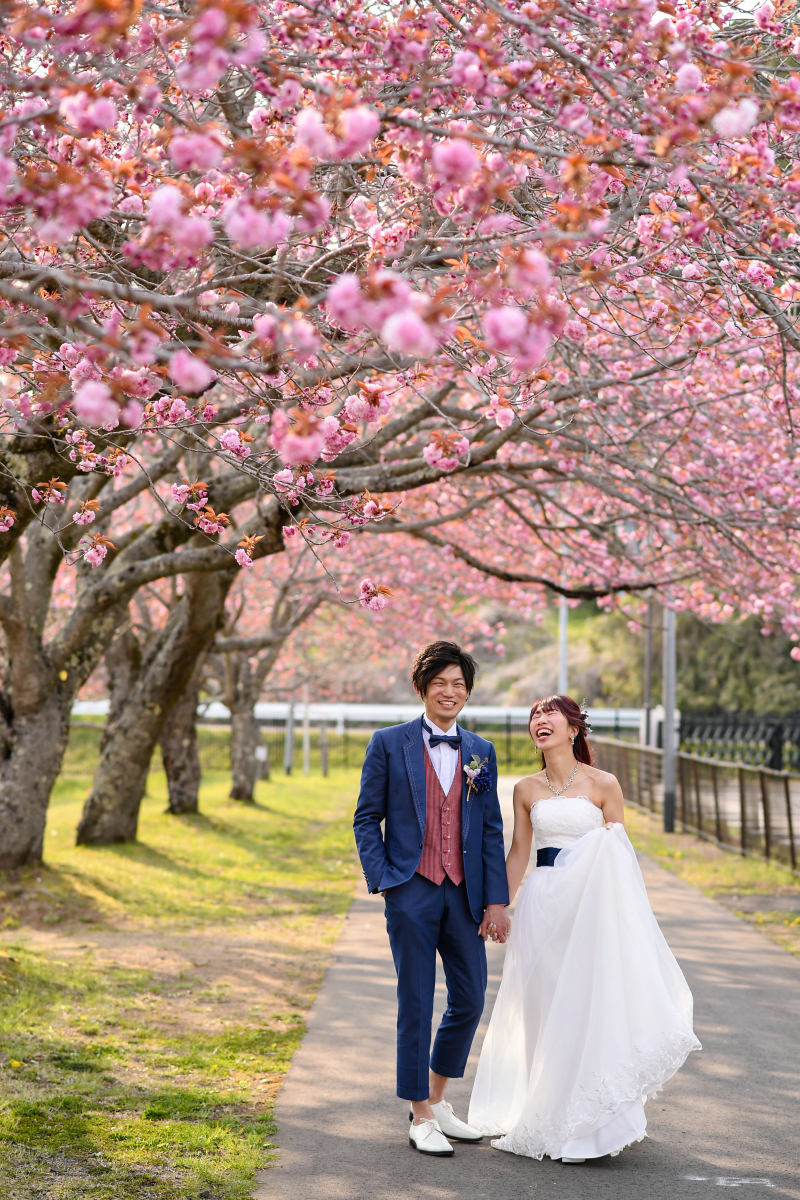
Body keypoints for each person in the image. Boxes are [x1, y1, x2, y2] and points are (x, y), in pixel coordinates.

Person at [468, 695, 701, 1163]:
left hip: (590, 910)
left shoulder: (604, 784)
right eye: (534, 716)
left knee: (588, 1006)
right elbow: (519, 853)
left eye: (549, 714)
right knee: (542, 1010)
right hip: (543, 906)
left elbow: (621, 857)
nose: (540, 721)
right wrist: (497, 905)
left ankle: (593, 1121)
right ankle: (545, 1112)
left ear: (573, 728)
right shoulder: (525, 789)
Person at [353, 641, 510, 1157]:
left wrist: (495, 901)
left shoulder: (481, 752)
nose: (450, 692)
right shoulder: (387, 742)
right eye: (440, 683)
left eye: (458, 685)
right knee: (416, 1001)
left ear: (467, 693)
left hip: (465, 895)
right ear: (422, 688)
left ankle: (439, 1100)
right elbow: (365, 818)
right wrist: (386, 880)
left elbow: (489, 831)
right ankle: (419, 1113)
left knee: (469, 999)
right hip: (411, 890)